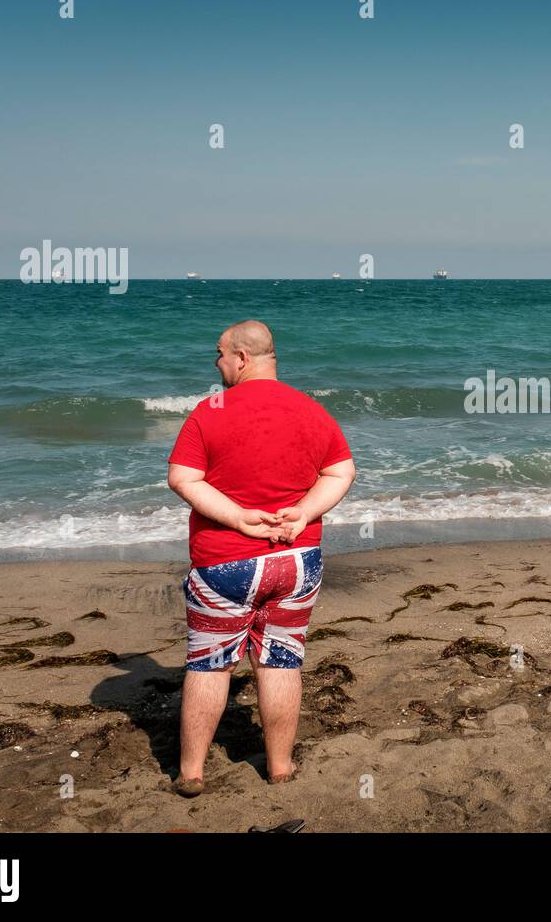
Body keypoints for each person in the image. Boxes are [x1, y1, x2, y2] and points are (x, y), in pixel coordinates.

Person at [166, 320, 356, 797]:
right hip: (297, 560)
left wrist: (237, 519)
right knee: (281, 660)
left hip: (224, 563)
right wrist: (304, 513)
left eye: (220, 354)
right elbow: (341, 471)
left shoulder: (209, 410)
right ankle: (280, 768)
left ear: (242, 358)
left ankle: (191, 773)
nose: (217, 363)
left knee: (210, 665)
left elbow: (183, 479)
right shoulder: (311, 409)